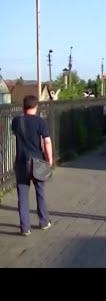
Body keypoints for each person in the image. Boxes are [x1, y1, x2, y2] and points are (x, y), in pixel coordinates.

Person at [11, 95, 53, 236]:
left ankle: (25, 228)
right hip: (38, 161)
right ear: (35, 106)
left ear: (24, 106)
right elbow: (47, 142)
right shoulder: (40, 122)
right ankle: (43, 221)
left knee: (22, 195)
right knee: (40, 192)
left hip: (21, 161)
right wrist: (50, 159)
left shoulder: (16, 121)